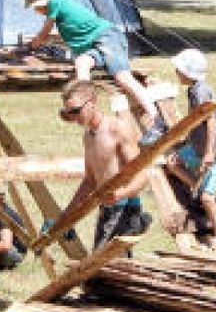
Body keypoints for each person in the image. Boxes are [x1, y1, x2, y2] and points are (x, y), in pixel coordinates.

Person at [23, 0, 166, 144]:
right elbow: (67, 32)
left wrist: (30, 46)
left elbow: (45, 33)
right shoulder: (61, 10)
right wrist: (38, 41)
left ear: (42, 3)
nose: (36, 11)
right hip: (95, 44)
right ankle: (83, 108)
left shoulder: (56, 2)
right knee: (82, 62)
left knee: (123, 78)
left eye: (36, 7)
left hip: (107, 37)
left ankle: (157, 120)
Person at [57, 80, 152, 252]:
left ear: (92, 102)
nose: (73, 117)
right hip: (107, 209)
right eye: (69, 112)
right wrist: (67, 216)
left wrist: (120, 194)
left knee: (102, 266)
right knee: (110, 269)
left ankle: (138, 221)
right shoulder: (88, 136)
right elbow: (90, 181)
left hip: (125, 207)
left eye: (76, 111)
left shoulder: (117, 129)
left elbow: (143, 175)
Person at [166, 49, 216, 249]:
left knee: (207, 198)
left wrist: (209, 153)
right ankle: (198, 185)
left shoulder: (201, 91)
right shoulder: (194, 89)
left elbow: (211, 122)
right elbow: (197, 123)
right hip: (198, 147)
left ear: (188, 72)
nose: (176, 72)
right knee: (173, 162)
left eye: (179, 69)